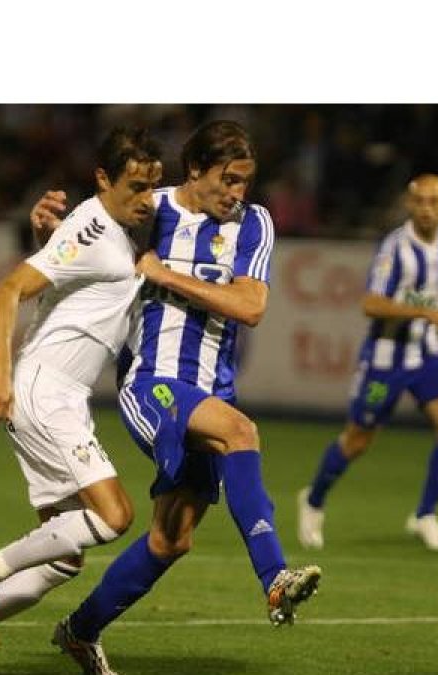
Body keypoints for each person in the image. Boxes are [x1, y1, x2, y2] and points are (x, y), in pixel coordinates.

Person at [31, 120, 321, 675]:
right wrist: (46, 232)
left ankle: (79, 631)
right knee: (242, 432)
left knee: (171, 539)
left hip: (212, 389)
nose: (237, 193)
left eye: (245, 182)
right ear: (195, 170)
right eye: (228, 180)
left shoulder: (254, 223)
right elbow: (81, 249)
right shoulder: (152, 207)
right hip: (152, 382)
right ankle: (275, 578)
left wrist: (167, 275)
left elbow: (251, 307)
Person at [0, 127, 163, 675]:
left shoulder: (112, 231)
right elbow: (5, 292)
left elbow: (65, 273)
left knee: (60, 560)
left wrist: (46, 236)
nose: (146, 200)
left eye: (152, 188)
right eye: (136, 186)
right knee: (115, 515)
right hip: (45, 393)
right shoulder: (95, 228)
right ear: (102, 179)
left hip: (60, 396)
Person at [296, 174, 438, 553]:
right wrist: (426, 313)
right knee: (358, 440)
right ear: (409, 206)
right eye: (419, 202)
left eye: (434, 201)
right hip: (384, 361)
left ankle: (424, 515)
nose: (427, 209)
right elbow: (370, 304)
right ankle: (313, 500)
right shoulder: (395, 249)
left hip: (426, 356)